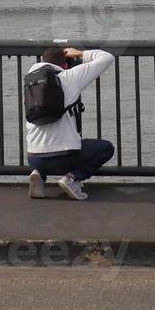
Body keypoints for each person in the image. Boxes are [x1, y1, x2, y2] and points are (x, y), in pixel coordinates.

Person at [23, 45, 115, 201]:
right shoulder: (70, 76)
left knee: (43, 150)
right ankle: (72, 178)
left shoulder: (30, 82)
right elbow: (107, 58)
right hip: (64, 158)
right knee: (106, 148)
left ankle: (38, 173)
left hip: (33, 157)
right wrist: (78, 53)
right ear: (65, 64)